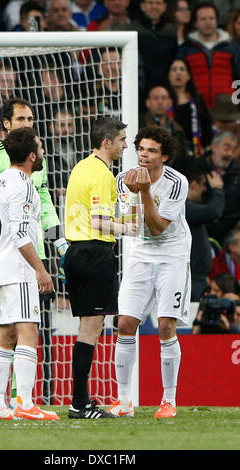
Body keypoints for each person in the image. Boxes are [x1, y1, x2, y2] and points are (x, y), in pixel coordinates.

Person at [0, 97, 66, 410]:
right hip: (14, 254)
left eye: (30, 118)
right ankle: (17, 398)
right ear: (6, 124)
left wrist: (58, 242)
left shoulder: (37, 161)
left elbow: (46, 204)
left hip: (30, 252)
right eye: (21, 119)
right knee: (24, 329)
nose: (27, 124)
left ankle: (1, 398)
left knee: (12, 329)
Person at [108, 125, 191, 419]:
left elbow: (157, 229)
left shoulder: (177, 183)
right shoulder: (122, 180)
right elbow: (133, 226)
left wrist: (143, 193)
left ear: (164, 156)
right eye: (141, 148)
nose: (144, 155)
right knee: (125, 323)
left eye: (152, 150)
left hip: (172, 254)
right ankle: (124, 402)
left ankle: (168, 401)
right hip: (139, 254)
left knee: (166, 326)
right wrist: (134, 196)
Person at [64, 116, 137, 419]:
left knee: (87, 327)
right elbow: (98, 222)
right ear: (106, 142)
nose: (124, 145)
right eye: (121, 140)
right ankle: (80, 404)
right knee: (90, 329)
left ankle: (80, 401)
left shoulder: (81, 167)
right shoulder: (103, 175)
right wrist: (129, 228)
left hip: (77, 251)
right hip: (94, 252)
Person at [0, 126, 59, 421]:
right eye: (39, 148)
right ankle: (26, 403)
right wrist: (40, 270)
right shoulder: (24, 184)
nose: (42, 152)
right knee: (28, 331)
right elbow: (20, 234)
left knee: (5, 334)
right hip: (18, 268)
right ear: (31, 156)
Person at [178, 1, 240, 108]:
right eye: (203, 19)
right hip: (196, 107)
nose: (208, 22)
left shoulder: (232, 47)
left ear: (216, 20)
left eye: (211, 18)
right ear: (196, 23)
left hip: (228, 109)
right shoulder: (186, 48)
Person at [192, 131, 240, 245]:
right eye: (226, 148)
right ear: (214, 147)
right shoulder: (196, 168)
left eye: (233, 150)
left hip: (230, 234)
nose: (229, 154)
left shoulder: (238, 172)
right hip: (201, 230)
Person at [124, 0, 178, 102]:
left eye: (158, 3)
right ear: (142, 6)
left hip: (165, 86)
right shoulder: (130, 30)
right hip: (137, 87)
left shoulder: (171, 31)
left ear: (164, 7)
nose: (154, 6)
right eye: (150, 2)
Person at [185, 166, 224, 301]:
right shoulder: (184, 208)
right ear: (194, 185)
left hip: (197, 278)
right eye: (203, 185)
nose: (205, 189)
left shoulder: (190, 207)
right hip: (191, 279)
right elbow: (214, 211)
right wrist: (218, 189)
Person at [167, 58, 213, 159]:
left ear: (188, 76)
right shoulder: (162, 99)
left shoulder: (197, 100)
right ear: (168, 76)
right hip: (170, 153)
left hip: (194, 153)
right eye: (174, 69)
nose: (178, 73)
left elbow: (206, 126)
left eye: (182, 69)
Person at [139, 86, 188, 172]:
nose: (160, 101)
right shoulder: (139, 123)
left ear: (170, 102)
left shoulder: (178, 129)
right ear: (148, 103)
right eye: (155, 98)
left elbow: (182, 161)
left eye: (164, 98)